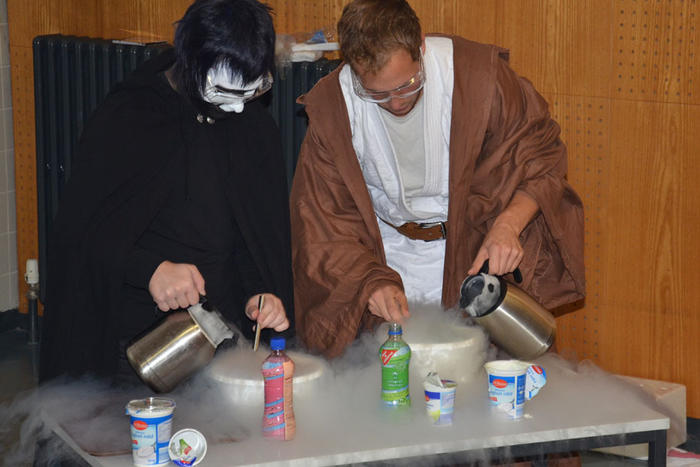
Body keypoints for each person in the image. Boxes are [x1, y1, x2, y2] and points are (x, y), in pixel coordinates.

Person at [290, 0, 585, 358]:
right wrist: (369, 283)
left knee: (484, 379)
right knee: (392, 379)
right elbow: (324, 219)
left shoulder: (477, 78)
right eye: (378, 94)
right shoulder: (334, 107)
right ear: (352, 69)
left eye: (408, 85)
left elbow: (540, 156)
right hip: (385, 252)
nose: (396, 103)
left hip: (474, 246)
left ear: (422, 46)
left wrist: (509, 224)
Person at [40, 0, 293, 383]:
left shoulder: (250, 126)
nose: (239, 109)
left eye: (255, 91)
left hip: (221, 336)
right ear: (193, 65)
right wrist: (151, 270)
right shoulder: (133, 118)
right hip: (137, 345)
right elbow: (81, 235)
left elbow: (252, 236)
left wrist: (260, 294)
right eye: (225, 92)